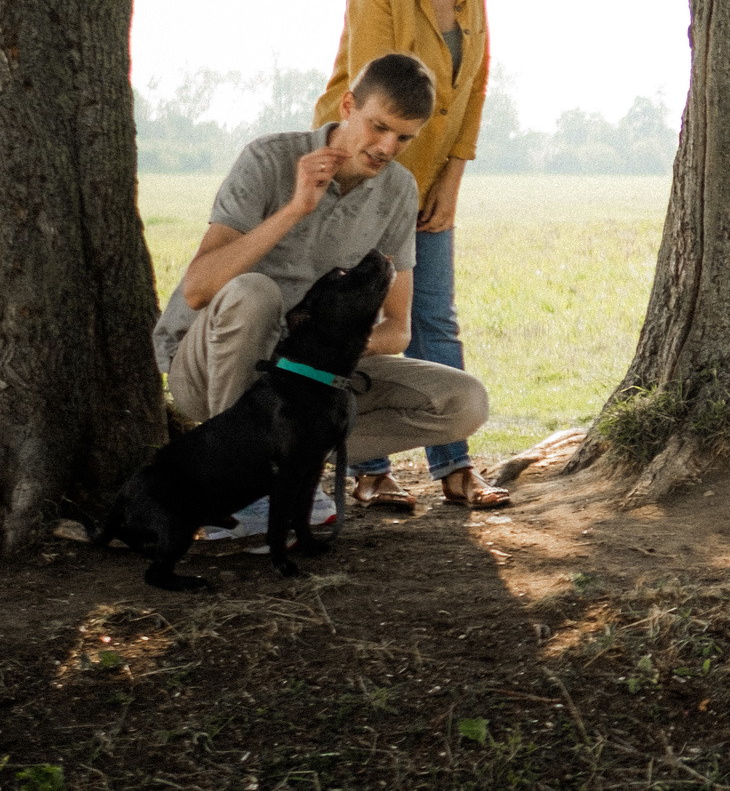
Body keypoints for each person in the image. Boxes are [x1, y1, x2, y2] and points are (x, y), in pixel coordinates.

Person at [152, 53, 490, 528]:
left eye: (404, 137)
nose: (388, 146)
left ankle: (291, 466)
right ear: (348, 104)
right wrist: (295, 208)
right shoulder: (268, 158)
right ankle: (239, 484)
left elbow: (397, 331)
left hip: (305, 375)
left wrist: (320, 350)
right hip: (209, 368)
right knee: (255, 293)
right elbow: (199, 290)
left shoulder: (398, 190)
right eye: (378, 126)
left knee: (464, 401)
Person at [313, 0, 509, 511]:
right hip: (363, 172)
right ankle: (369, 468)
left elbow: (475, 82)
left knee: (433, 318)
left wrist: (452, 176)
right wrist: (382, 187)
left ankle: (455, 468)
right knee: (364, 319)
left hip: (430, 178)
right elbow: (374, 98)